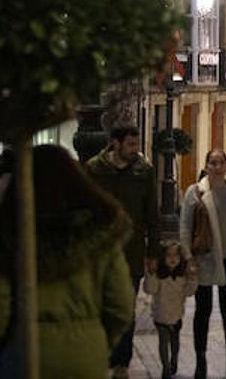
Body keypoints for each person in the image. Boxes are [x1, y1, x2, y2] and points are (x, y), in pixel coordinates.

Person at [0, 144, 137, 378]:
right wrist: (99, 343)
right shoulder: (100, 234)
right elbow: (121, 305)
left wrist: (6, 346)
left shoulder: (8, 235)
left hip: (24, 356)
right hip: (85, 357)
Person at [86, 124, 161, 379]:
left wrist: (153, 252)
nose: (135, 149)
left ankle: (121, 362)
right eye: (130, 144)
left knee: (126, 309)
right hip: (100, 252)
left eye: (137, 144)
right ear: (115, 144)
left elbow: (152, 213)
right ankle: (102, 354)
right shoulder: (95, 169)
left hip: (132, 251)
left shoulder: (144, 171)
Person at [180, 148, 226, 378]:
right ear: (206, 165)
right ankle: (200, 360)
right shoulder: (196, 192)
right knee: (202, 311)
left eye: (220, 162)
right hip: (205, 258)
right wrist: (188, 257)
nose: (216, 167)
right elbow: (185, 227)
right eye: (212, 163)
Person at [146, 241, 199, 379]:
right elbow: (150, 289)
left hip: (176, 315)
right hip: (160, 314)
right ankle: (165, 367)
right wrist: (151, 273)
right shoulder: (159, 275)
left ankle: (174, 360)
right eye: (168, 255)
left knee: (175, 341)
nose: (172, 258)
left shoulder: (182, 276)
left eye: (176, 255)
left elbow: (188, 292)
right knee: (163, 341)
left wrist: (192, 278)